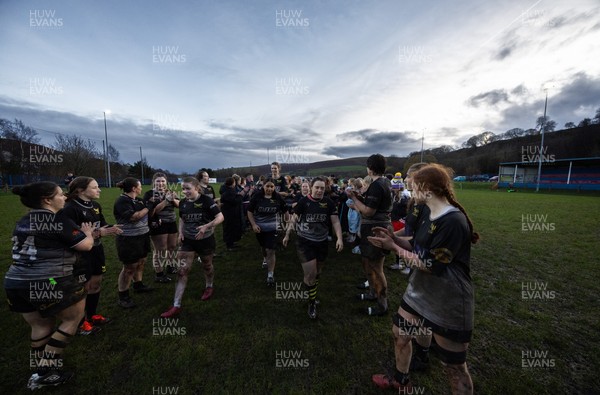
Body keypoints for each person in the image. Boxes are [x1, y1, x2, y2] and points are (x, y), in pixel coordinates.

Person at [368, 163, 479, 394]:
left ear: (427, 188)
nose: (409, 190)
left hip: (448, 300)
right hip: (421, 292)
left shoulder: (452, 221)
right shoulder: (429, 212)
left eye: (413, 186)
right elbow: (416, 246)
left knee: (454, 367)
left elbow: (430, 265)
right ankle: (402, 382)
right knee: (400, 334)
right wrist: (393, 238)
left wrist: (394, 249)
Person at [5, 182, 94, 389]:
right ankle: (45, 370)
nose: (64, 198)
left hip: (16, 282)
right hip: (51, 280)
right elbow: (85, 245)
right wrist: (88, 233)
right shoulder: (57, 220)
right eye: (61, 195)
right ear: (47, 200)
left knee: (40, 325)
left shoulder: (22, 221)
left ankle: (39, 372)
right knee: (72, 319)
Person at [63, 177, 122, 335]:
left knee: (95, 284)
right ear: (81, 190)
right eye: (95, 187)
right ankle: (81, 323)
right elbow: (69, 235)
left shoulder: (95, 205)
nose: (99, 190)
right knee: (82, 288)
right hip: (80, 255)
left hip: (97, 250)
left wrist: (111, 228)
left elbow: (101, 224)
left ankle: (92, 315)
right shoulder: (69, 208)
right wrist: (97, 233)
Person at [161, 177, 224, 318]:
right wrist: (180, 233)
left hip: (206, 239)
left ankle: (209, 286)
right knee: (182, 271)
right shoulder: (183, 203)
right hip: (188, 241)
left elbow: (220, 217)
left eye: (188, 188)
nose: (185, 191)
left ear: (197, 188)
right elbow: (182, 218)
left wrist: (206, 227)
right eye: (183, 189)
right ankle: (176, 305)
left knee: (207, 266)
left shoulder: (207, 201)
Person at [283, 177, 343, 319]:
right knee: (310, 274)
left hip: (321, 242)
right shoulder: (304, 201)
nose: (319, 190)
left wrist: (340, 238)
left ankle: (311, 292)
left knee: (317, 273)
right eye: (317, 187)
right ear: (311, 187)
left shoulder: (328, 202)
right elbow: (294, 219)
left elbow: (335, 221)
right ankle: (311, 303)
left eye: (322, 188)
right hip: (305, 242)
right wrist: (287, 234)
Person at [347, 154, 393, 316]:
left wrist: (353, 198)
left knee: (377, 267)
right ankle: (373, 293)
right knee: (367, 262)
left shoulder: (377, 185)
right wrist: (360, 198)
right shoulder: (385, 182)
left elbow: (369, 211)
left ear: (370, 168)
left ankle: (382, 305)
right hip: (374, 228)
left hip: (376, 229)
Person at [113, 178, 153, 309]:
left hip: (142, 236)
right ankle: (123, 296)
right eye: (140, 186)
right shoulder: (122, 201)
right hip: (128, 239)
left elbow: (148, 213)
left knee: (141, 261)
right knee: (129, 268)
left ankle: (138, 284)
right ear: (134, 188)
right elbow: (134, 217)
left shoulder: (139, 200)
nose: (141, 188)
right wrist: (148, 207)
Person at [247, 178, 288, 285]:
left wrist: (285, 223)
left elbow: (285, 211)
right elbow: (249, 211)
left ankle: (270, 274)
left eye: (272, 186)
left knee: (271, 250)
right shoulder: (257, 196)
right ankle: (264, 258)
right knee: (263, 247)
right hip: (259, 228)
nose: (269, 189)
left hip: (273, 228)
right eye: (267, 186)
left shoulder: (278, 197)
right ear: (263, 186)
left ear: (274, 187)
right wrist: (254, 224)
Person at [143, 172, 180, 281]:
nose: (160, 183)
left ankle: (170, 266)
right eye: (158, 181)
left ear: (166, 182)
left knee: (172, 246)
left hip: (171, 222)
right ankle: (159, 274)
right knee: (160, 249)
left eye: (163, 181)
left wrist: (172, 199)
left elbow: (179, 205)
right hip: (158, 224)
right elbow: (152, 212)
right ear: (154, 182)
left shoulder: (170, 192)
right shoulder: (149, 194)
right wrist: (166, 200)